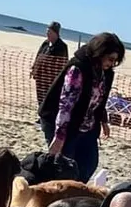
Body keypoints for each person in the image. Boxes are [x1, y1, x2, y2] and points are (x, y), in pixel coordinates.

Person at [41, 31, 123, 181]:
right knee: (65, 169)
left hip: (87, 125)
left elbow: (98, 99)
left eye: (115, 62)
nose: (112, 64)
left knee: (89, 164)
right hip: (63, 121)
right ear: (100, 52)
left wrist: (103, 120)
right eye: (110, 59)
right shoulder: (78, 68)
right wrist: (59, 136)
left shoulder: (107, 73)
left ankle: (75, 195)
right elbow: (66, 105)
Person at [31, 21, 69, 106]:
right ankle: (41, 116)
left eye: (49, 32)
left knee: (48, 99)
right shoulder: (45, 43)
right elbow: (39, 55)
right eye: (47, 31)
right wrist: (34, 68)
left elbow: (63, 63)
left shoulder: (61, 47)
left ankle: (45, 117)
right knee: (40, 97)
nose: (47, 33)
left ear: (55, 33)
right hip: (40, 76)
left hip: (51, 79)